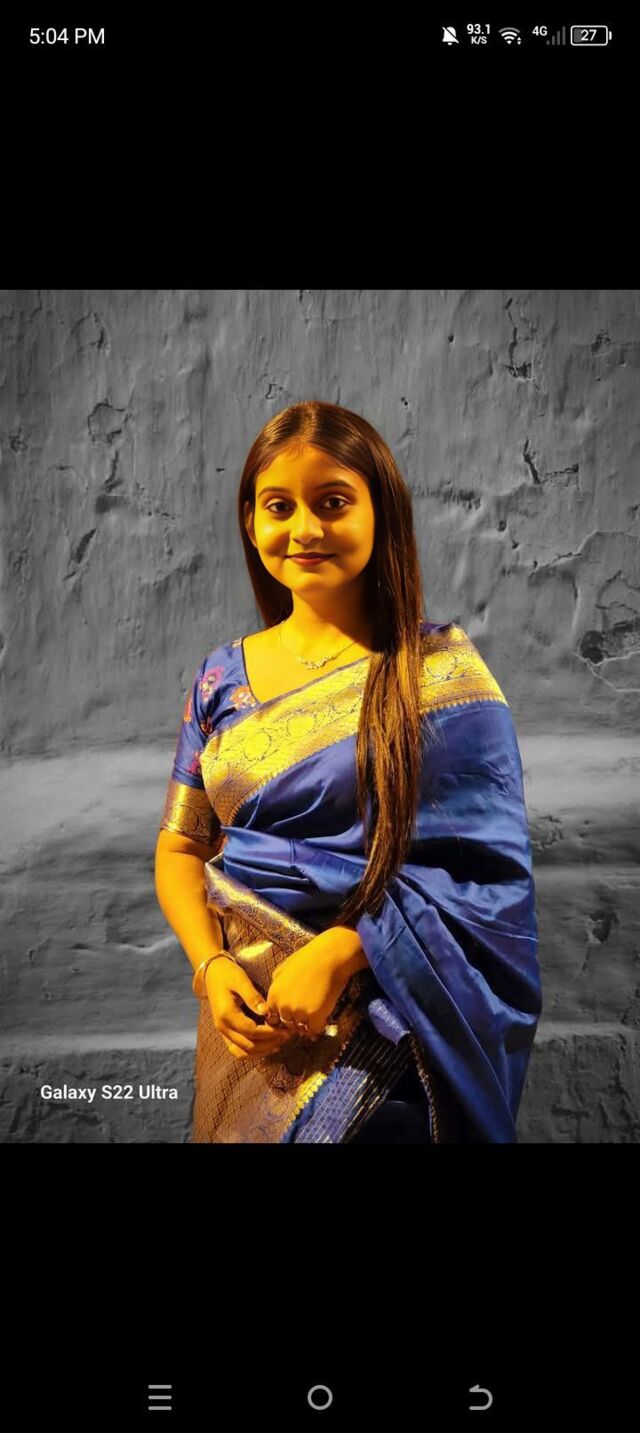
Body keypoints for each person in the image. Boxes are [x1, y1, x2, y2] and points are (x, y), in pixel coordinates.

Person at [154, 400, 541, 1142]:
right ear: (250, 522)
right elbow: (180, 847)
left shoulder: (439, 677)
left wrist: (343, 950)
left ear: (379, 513)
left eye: (332, 503)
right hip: (244, 1033)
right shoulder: (218, 680)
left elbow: (490, 880)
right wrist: (211, 967)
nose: (304, 529)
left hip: (386, 1034)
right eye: (279, 506)